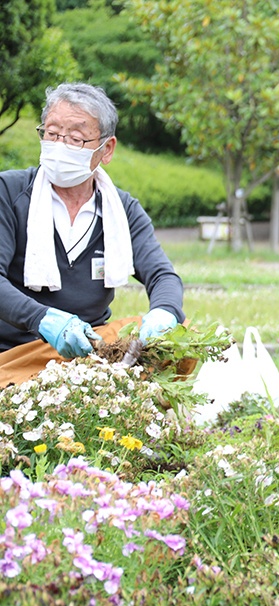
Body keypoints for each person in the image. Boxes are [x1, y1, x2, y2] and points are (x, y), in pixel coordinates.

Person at [0, 83, 184, 385]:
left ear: (106, 149)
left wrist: (164, 312)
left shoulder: (121, 209)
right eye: (52, 133)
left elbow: (163, 275)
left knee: (179, 332)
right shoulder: (9, 193)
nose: (60, 145)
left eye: (75, 138)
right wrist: (42, 318)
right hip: (15, 351)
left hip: (90, 350)